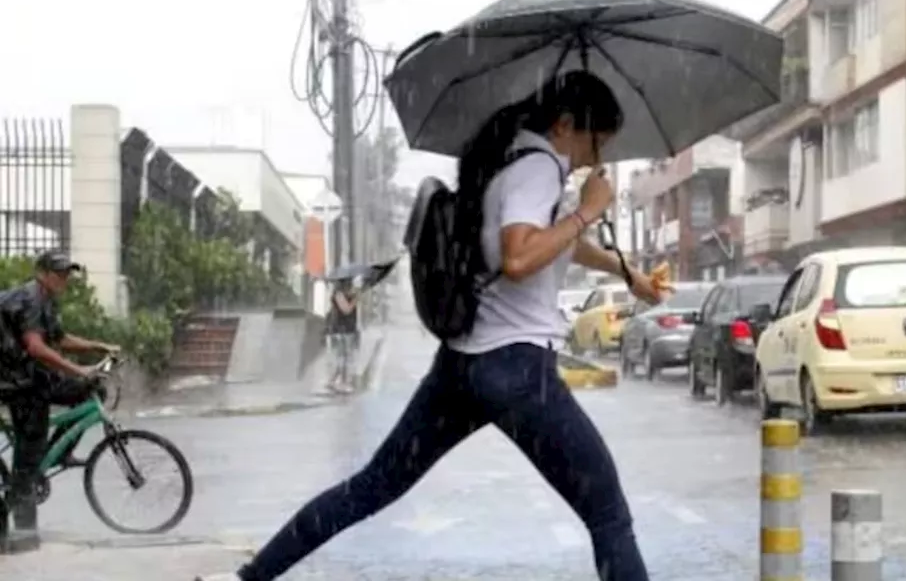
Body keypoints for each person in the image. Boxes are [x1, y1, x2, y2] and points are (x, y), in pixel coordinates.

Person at [198, 71, 665, 581]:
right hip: (518, 370)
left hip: (464, 367)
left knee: (373, 485)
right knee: (609, 516)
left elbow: (549, 242)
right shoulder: (539, 169)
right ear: (566, 124)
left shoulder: (508, 161)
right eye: (596, 142)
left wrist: (629, 273)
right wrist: (588, 211)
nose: (596, 159)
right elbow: (518, 256)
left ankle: (250, 578)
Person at [0, 251, 119, 549]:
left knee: (90, 390)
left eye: (67, 273)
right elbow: (37, 348)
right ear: (42, 273)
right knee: (27, 463)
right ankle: (19, 531)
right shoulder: (29, 299)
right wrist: (78, 368)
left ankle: (58, 452)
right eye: (59, 273)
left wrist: (96, 345)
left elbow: (58, 337)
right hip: (15, 382)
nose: (64, 279)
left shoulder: (46, 299)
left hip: (30, 376)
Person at [325, 277, 359, 393]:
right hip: (340, 330)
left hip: (348, 329)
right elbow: (346, 310)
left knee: (345, 357)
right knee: (343, 357)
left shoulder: (346, 293)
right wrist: (355, 299)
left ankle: (333, 381)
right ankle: (342, 383)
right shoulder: (338, 294)